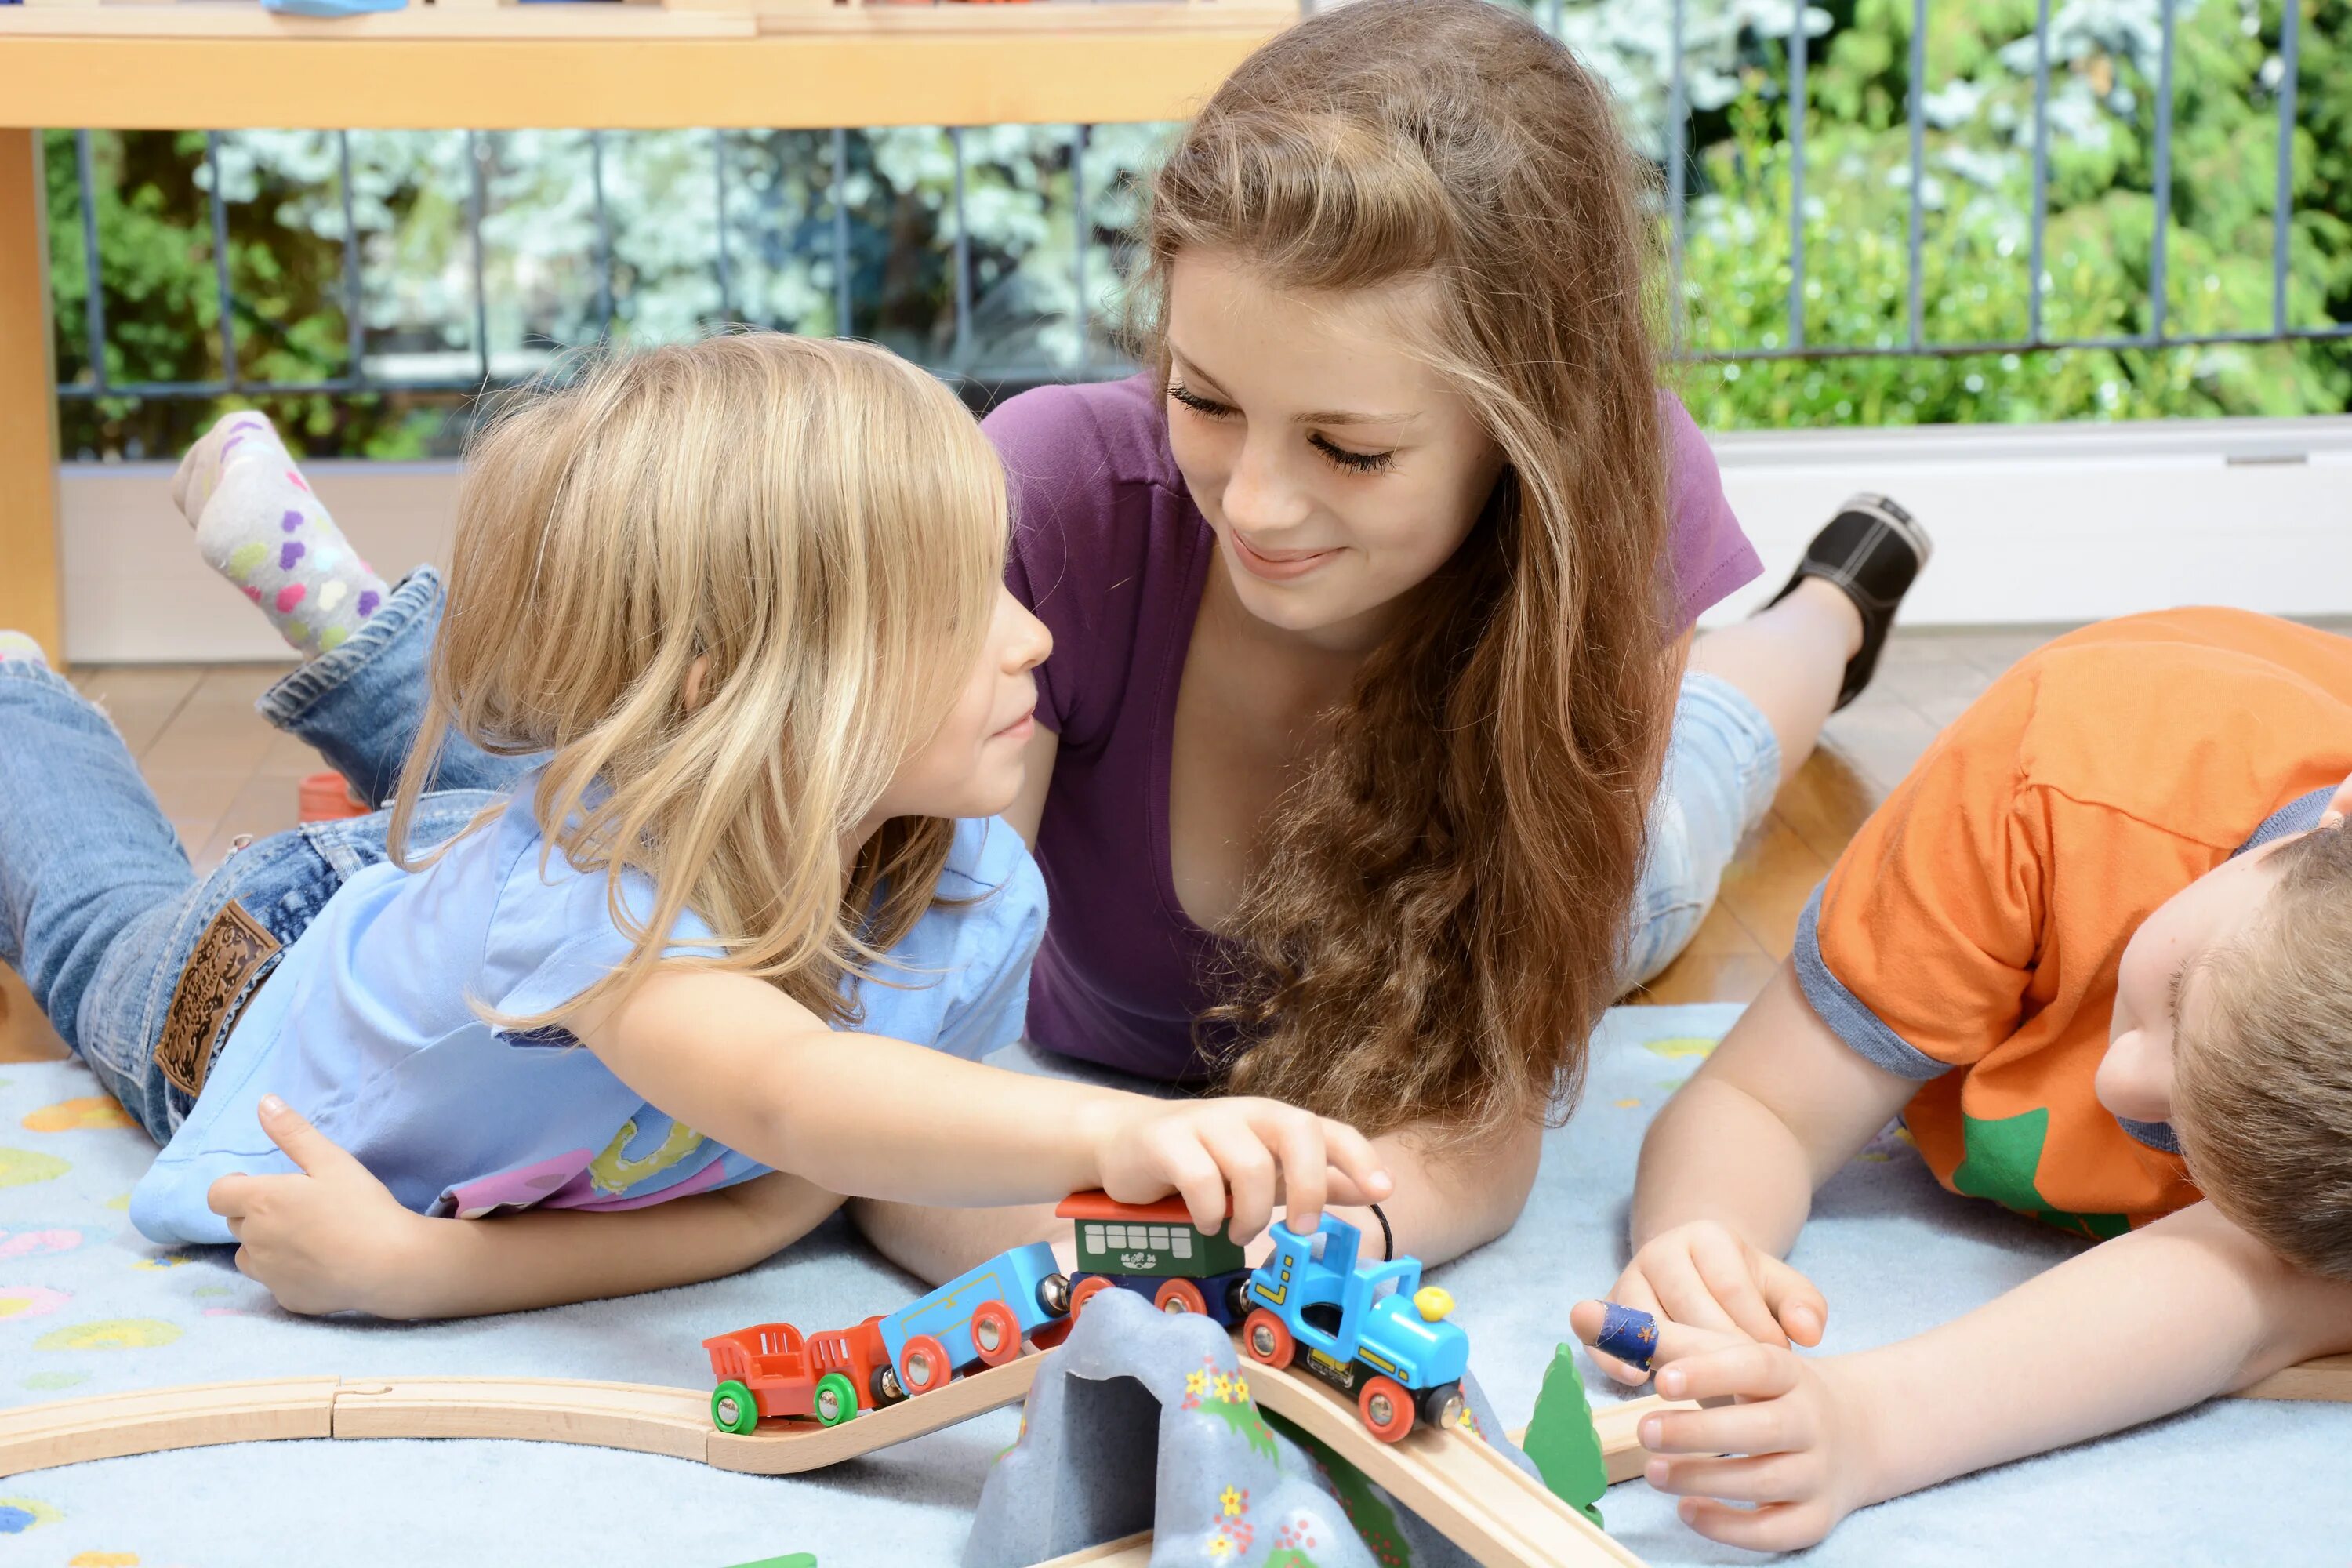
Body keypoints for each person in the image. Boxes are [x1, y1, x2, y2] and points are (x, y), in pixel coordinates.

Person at [858, 0, 1931, 1283]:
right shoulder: (1055, 501)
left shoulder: (1611, 512)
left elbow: (1476, 1140)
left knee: (1709, 768)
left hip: (1589, 854)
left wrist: (1294, 1257)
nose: (1252, 502)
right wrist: (1146, 1274)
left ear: (1520, 432)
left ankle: (1832, 607)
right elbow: (885, 1098)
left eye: (1350, 449)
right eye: (1201, 399)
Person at [0, 332, 1385, 1320]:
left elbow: (780, 1197)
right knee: (92, 911)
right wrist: (1102, 1138)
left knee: (555, 765)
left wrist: (448, 1271)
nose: (1033, 637)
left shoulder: (968, 897)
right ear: (758, 687)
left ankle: (351, 620)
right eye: (963, 605)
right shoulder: (609, 905)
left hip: (539, 865)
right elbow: (785, 1093)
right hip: (260, 974)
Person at [1578, 607, 2352, 1551]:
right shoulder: (2054, 781)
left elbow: (2244, 1303)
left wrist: (1868, 1423)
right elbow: (1763, 1102)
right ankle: (1827, 611)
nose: (2114, 1085)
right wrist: (1709, 1235)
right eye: (2181, 1001)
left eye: (2191, 1136)